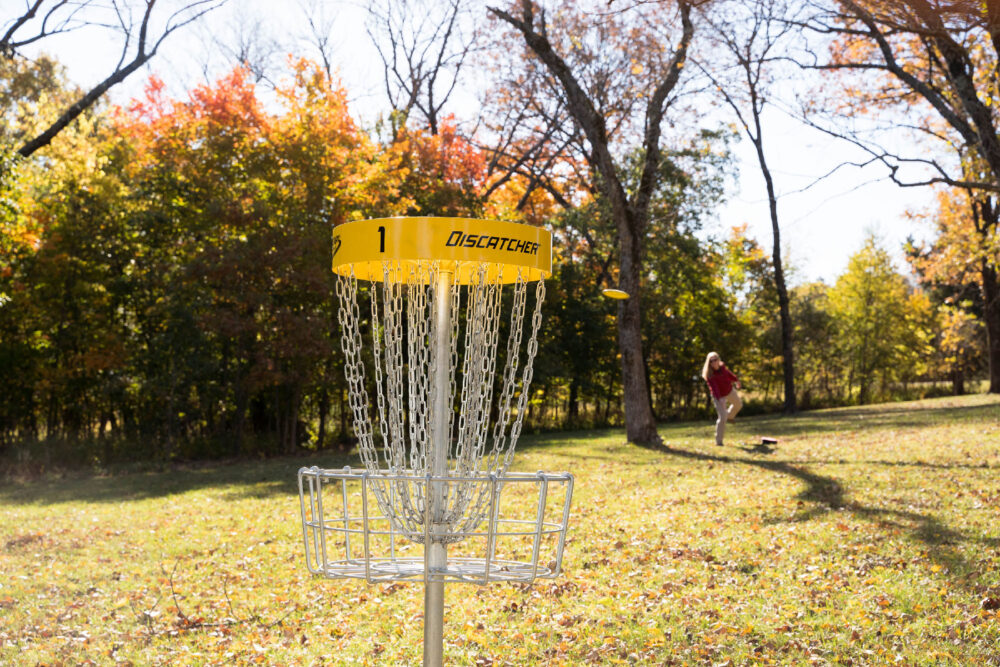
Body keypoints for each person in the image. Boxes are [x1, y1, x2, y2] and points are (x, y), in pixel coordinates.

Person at [702, 351, 742, 446]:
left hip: (729, 391)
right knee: (722, 417)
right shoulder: (709, 374)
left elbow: (729, 375)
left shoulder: (722, 368)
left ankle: (730, 416)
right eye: (711, 361)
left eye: (715, 359)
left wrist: (736, 380)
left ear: (718, 359)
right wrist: (720, 399)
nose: (714, 362)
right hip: (718, 396)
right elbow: (714, 388)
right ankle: (719, 441)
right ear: (709, 363)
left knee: (739, 405)